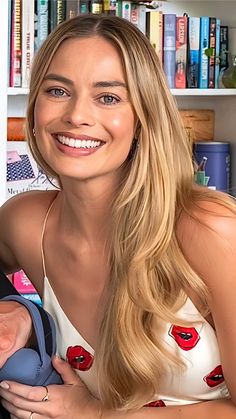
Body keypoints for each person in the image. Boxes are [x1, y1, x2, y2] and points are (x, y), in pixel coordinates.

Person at [0, 13, 236, 419]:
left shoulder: (208, 230)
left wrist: (95, 414)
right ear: (34, 107)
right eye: (58, 90)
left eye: (107, 97)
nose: (76, 115)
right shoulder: (24, 222)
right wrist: (20, 312)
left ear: (143, 117)